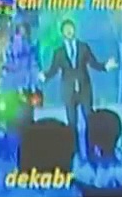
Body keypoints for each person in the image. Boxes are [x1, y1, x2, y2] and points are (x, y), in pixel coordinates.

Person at [40, 17, 116, 161]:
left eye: (71, 28)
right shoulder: (58, 52)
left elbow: (93, 63)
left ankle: (91, 151)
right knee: (72, 123)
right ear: (62, 33)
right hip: (68, 91)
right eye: (66, 29)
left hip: (84, 89)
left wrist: (105, 66)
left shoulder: (83, 47)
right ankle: (75, 154)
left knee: (90, 120)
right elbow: (54, 69)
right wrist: (45, 76)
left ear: (75, 30)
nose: (69, 31)